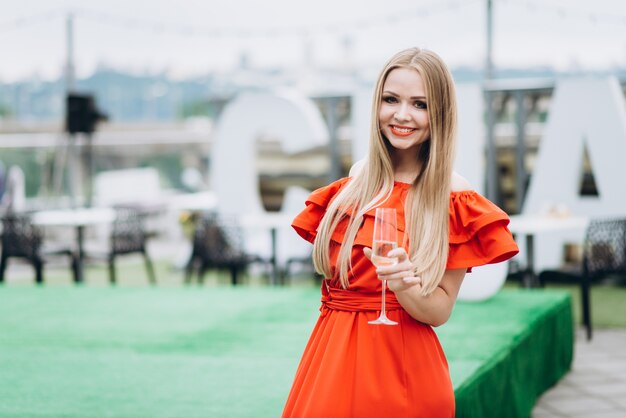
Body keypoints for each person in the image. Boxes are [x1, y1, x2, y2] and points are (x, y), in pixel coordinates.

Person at [281, 47, 519, 418]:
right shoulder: (358, 181)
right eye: (391, 99)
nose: (402, 115)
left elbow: (439, 312)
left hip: (403, 371)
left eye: (420, 104)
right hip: (328, 358)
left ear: (439, 113)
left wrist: (404, 282)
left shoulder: (454, 196)